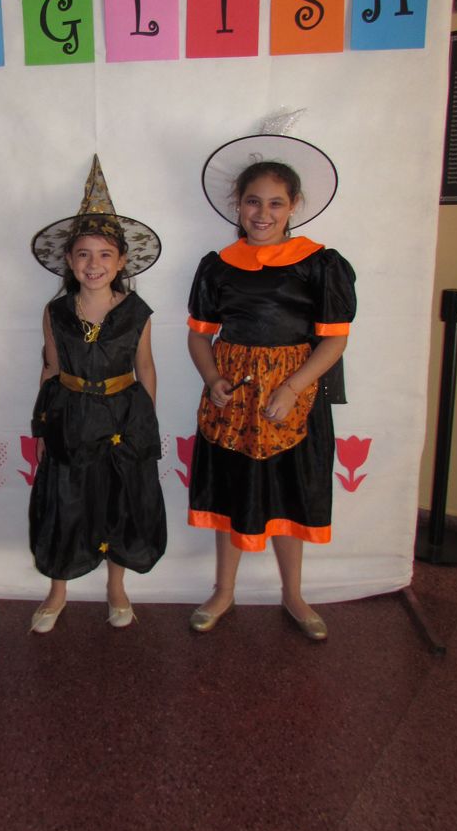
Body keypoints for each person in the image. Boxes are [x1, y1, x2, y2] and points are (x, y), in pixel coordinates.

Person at [187, 133, 356, 640]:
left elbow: (334, 340)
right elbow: (199, 337)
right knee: (233, 491)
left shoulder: (318, 263)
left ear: (294, 205)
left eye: (275, 203)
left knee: (290, 491)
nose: (263, 213)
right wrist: (213, 378)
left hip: (294, 397)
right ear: (238, 204)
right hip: (234, 399)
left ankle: (294, 594)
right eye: (253, 201)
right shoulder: (218, 266)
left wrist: (292, 388)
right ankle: (223, 590)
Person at [28, 155, 167, 633]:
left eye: (105, 255)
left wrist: (146, 425)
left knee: (119, 500)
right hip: (69, 418)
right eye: (84, 254)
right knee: (66, 500)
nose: (94, 264)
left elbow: (145, 368)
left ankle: (116, 587)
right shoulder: (56, 312)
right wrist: (41, 428)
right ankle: (58, 589)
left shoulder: (137, 312)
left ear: (122, 261)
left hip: (122, 421)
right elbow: (51, 368)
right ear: (69, 261)